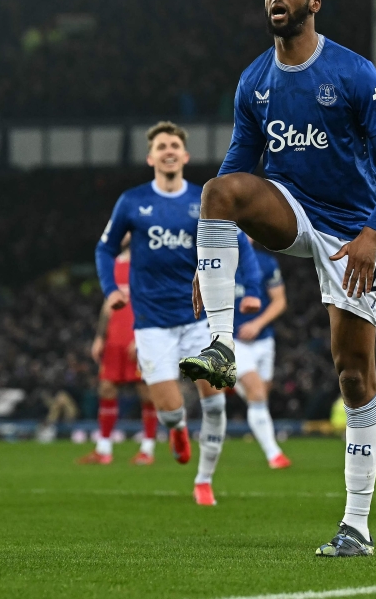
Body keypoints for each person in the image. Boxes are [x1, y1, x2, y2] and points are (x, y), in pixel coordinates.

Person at [178, 0, 376, 556]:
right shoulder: (254, 80)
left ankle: (356, 526)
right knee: (217, 191)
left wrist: (371, 234)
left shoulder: (353, 72)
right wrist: (206, 258)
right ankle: (223, 347)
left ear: (314, 3)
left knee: (354, 376)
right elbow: (238, 167)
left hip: (350, 231)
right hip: (290, 206)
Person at [95, 121, 262, 506]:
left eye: (175, 145)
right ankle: (176, 429)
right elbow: (104, 249)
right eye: (162, 146)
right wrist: (111, 290)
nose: (169, 151)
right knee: (169, 408)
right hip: (152, 323)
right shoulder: (132, 202)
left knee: (215, 400)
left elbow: (240, 243)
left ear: (184, 156)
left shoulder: (205, 200)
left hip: (199, 319)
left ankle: (204, 481)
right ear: (151, 156)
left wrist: (251, 291)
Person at [80, 234, 158, 466]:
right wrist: (100, 336)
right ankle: (103, 449)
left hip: (139, 337)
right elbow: (108, 303)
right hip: (115, 338)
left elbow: (155, 303)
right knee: (106, 388)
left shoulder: (150, 265)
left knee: (145, 391)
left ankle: (147, 449)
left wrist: (144, 336)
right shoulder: (114, 265)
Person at [233, 237, 290, 468]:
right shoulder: (216, 262)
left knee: (260, 396)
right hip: (231, 340)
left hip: (263, 340)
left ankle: (228, 378)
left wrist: (257, 324)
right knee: (256, 392)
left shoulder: (266, 262)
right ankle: (274, 454)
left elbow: (279, 301)